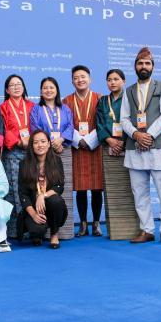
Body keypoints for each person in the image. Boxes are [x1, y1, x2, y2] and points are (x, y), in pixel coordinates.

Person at [119, 47, 161, 244]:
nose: (144, 66)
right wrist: (136, 134)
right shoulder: (128, 91)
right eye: (140, 63)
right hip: (135, 147)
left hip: (158, 146)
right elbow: (124, 118)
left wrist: (148, 135)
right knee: (140, 192)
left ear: (153, 66)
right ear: (135, 66)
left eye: (147, 63)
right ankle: (147, 229)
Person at [96, 69, 140, 240]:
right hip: (109, 149)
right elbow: (99, 123)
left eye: (116, 79)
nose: (112, 82)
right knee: (112, 191)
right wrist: (109, 140)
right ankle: (116, 231)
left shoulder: (131, 98)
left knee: (132, 189)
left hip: (128, 147)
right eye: (109, 79)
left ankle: (135, 229)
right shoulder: (102, 101)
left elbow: (136, 122)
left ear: (123, 81)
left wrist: (124, 142)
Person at [30, 76, 74, 239]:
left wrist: (61, 140)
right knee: (43, 188)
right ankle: (45, 230)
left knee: (62, 190)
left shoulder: (65, 108)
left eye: (51, 87)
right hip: (44, 152)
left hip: (63, 150)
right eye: (45, 88)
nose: (48, 90)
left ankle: (64, 231)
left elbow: (71, 126)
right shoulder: (36, 109)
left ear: (57, 90)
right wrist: (49, 144)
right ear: (41, 91)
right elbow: (35, 129)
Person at [63, 65, 103, 237]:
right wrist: (79, 139)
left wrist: (90, 140)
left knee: (96, 188)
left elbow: (103, 123)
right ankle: (83, 224)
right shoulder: (66, 101)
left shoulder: (100, 98)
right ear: (72, 81)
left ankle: (96, 223)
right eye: (76, 77)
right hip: (77, 149)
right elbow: (65, 125)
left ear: (90, 79)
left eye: (83, 76)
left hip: (96, 148)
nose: (80, 80)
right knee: (80, 188)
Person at [0, 74, 35, 239]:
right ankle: (14, 230)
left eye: (19, 84)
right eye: (12, 85)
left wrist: (32, 141)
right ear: (7, 90)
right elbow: (3, 129)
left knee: (31, 188)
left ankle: (32, 226)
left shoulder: (32, 106)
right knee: (13, 189)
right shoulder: (3, 107)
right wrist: (19, 142)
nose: (16, 87)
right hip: (12, 151)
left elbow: (38, 125)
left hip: (32, 152)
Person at [18, 131, 68, 249]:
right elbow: (23, 194)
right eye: (36, 142)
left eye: (43, 141)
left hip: (50, 204)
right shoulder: (24, 164)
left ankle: (54, 234)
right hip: (33, 207)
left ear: (49, 144)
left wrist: (42, 195)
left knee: (56, 201)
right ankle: (38, 234)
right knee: (36, 230)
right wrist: (34, 215)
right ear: (31, 145)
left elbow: (59, 186)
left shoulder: (56, 161)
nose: (40, 145)